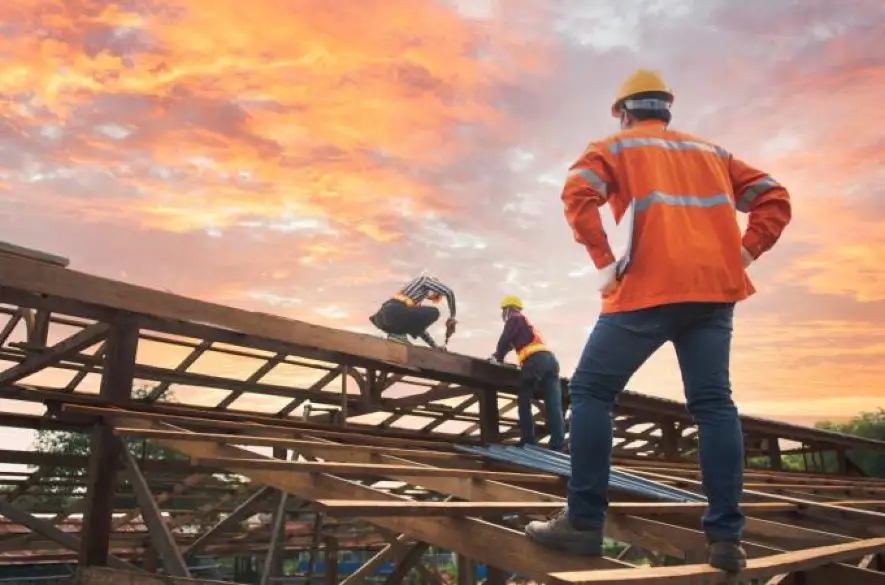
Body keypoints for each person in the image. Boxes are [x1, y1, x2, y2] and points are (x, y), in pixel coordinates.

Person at [524, 69, 792, 574]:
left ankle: (582, 523)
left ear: (625, 113)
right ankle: (727, 539)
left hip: (649, 288)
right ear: (666, 111)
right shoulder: (712, 153)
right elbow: (775, 197)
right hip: (714, 292)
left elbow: (578, 194)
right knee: (714, 404)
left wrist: (604, 264)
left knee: (590, 392)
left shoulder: (617, 147)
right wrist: (744, 254)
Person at [490, 295, 566, 452]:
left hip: (535, 361)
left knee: (524, 400)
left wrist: (497, 357)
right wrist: (498, 354)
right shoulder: (526, 324)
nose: (503, 314)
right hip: (550, 361)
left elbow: (505, 339)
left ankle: (528, 441)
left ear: (509, 309)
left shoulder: (515, 318)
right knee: (554, 405)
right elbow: (511, 343)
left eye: (504, 310)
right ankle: (558, 445)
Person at [369, 274, 457, 348]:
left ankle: (395, 335)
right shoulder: (425, 280)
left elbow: (419, 328)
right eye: (436, 295)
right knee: (435, 312)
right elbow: (449, 292)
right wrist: (452, 316)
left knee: (417, 316)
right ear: (434, 288)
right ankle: (399, 334)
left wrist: (434, 346)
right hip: (394, 312)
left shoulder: (411, 300)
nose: (431, 298)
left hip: (382, 318)